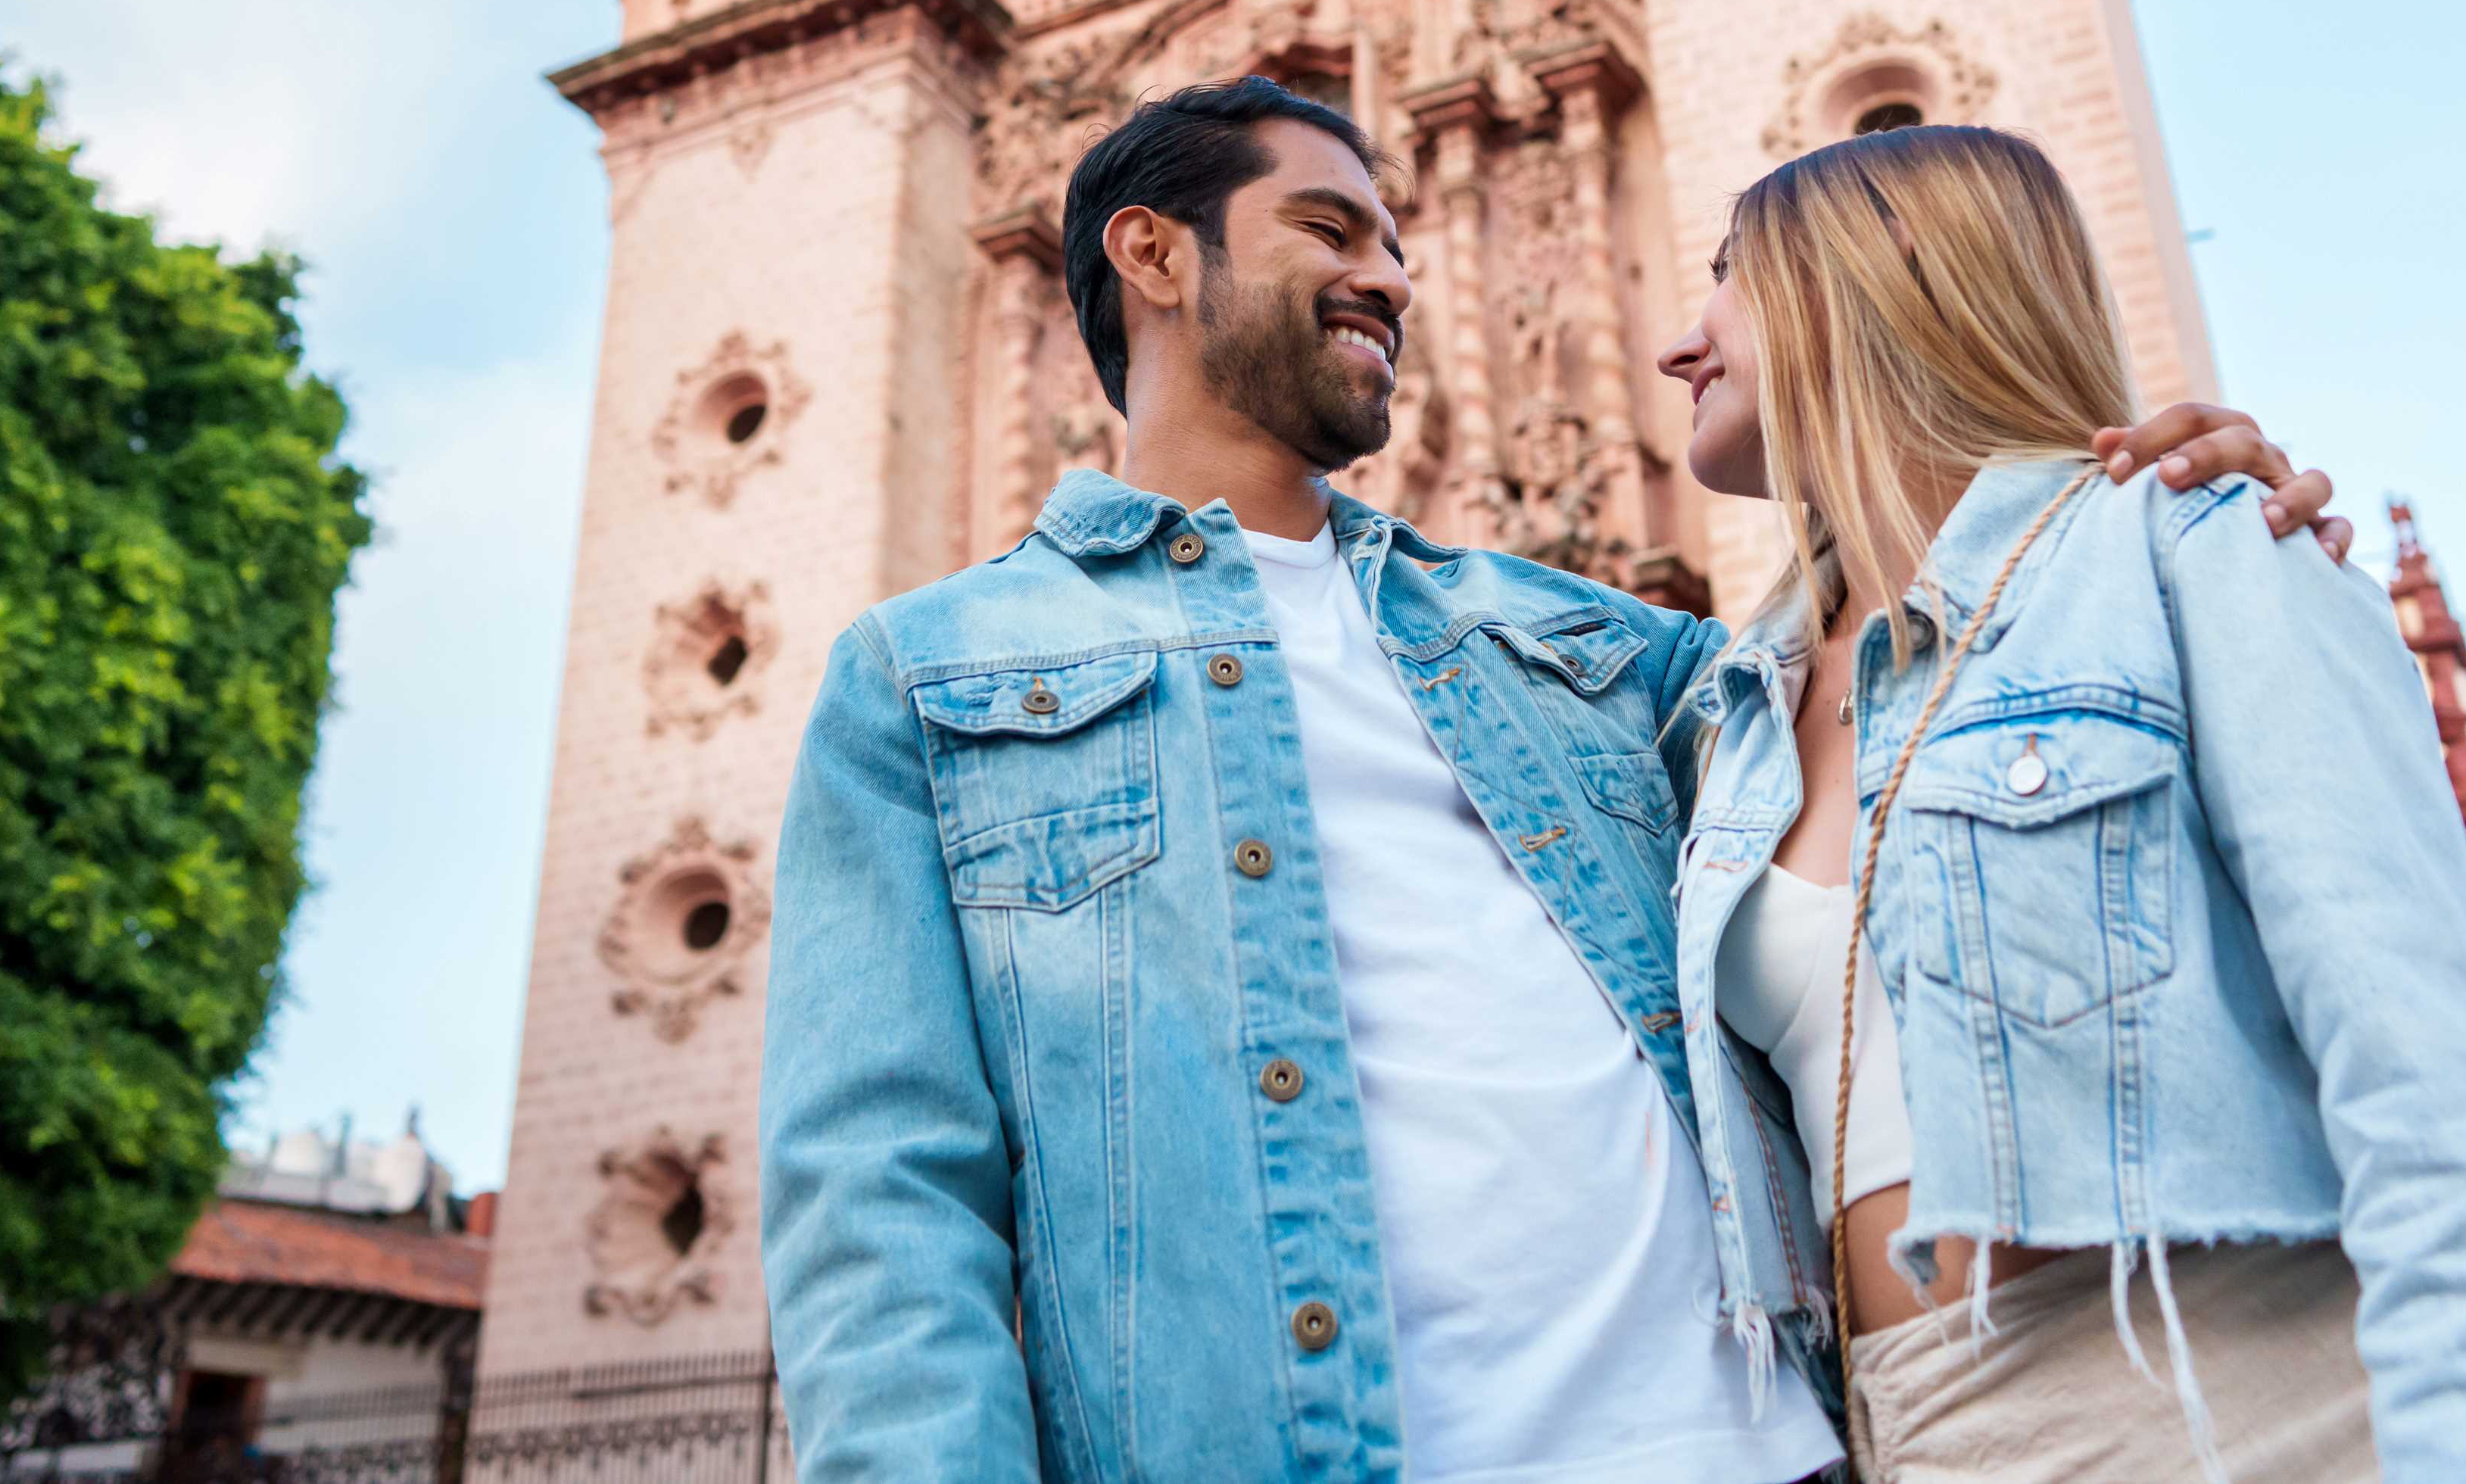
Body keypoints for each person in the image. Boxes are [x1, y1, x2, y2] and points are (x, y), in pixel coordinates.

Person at [759, 79, 2343, 1484]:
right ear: (1153, 255)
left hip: (1774, 1447)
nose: (1394, 275)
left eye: (1400, 241)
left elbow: (1919, 666)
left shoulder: (1596, 645)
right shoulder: (928, 677)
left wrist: (2113, 505)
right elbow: (880, 1205)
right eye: (1330, 228)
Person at [1652, 124, 2466, 1484]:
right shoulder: (1729, 716)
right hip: (1910, 1432)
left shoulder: (2194, 551)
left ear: (1878, 272)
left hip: (2250, 1407)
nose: (1681, 341)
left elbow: (2446, 1105)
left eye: (1729, 274)